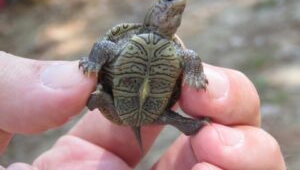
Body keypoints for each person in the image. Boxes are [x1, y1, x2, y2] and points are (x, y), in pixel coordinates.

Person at [0, 51, 286, 170]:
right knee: (98, 95)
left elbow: (190, 58)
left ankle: (202, 131)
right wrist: (94, 62)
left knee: (198, 129)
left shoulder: (180, 54)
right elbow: (104, 46)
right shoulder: (130, 37)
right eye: (168, 1)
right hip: (117, 105)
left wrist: (195, 77)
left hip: (150, 110)